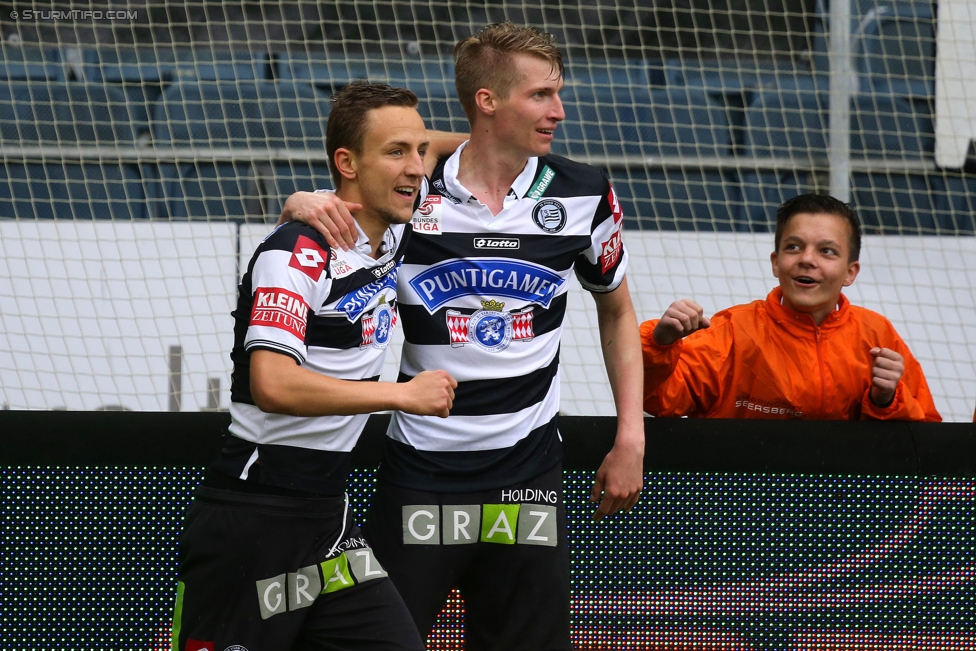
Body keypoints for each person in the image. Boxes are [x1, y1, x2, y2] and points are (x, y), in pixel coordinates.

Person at [280, 22, 645, 651]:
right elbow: (335, 204)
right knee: (377, 642)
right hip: (420, 471)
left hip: (528, 471)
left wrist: (631, 435)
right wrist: (302, 201)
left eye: (556, 94)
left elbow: (617, 312)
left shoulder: (585, 192)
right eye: (539, 96)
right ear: (487, 101)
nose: (558, 110)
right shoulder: (410, 192)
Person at [170, 82, 461, 651]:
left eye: (419, 151)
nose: (416, 169)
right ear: (346, 163)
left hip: (327, 522)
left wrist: (418, 141)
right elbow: (273, 384)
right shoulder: (296, 250)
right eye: (395, 152)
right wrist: (400, 395)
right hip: (255, 519)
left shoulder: (395, 235)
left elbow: (469, 148)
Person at [641, 193, 942, 422]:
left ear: (850, 272)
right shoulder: (732, 332)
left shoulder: (877, 335)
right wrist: (659, 343)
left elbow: (926, 435)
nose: (807, 259)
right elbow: (656, 399)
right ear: (776, 262)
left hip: (846, 503)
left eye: (827, 251)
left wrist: (885, 401)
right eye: (794, 247)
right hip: (743, 501)